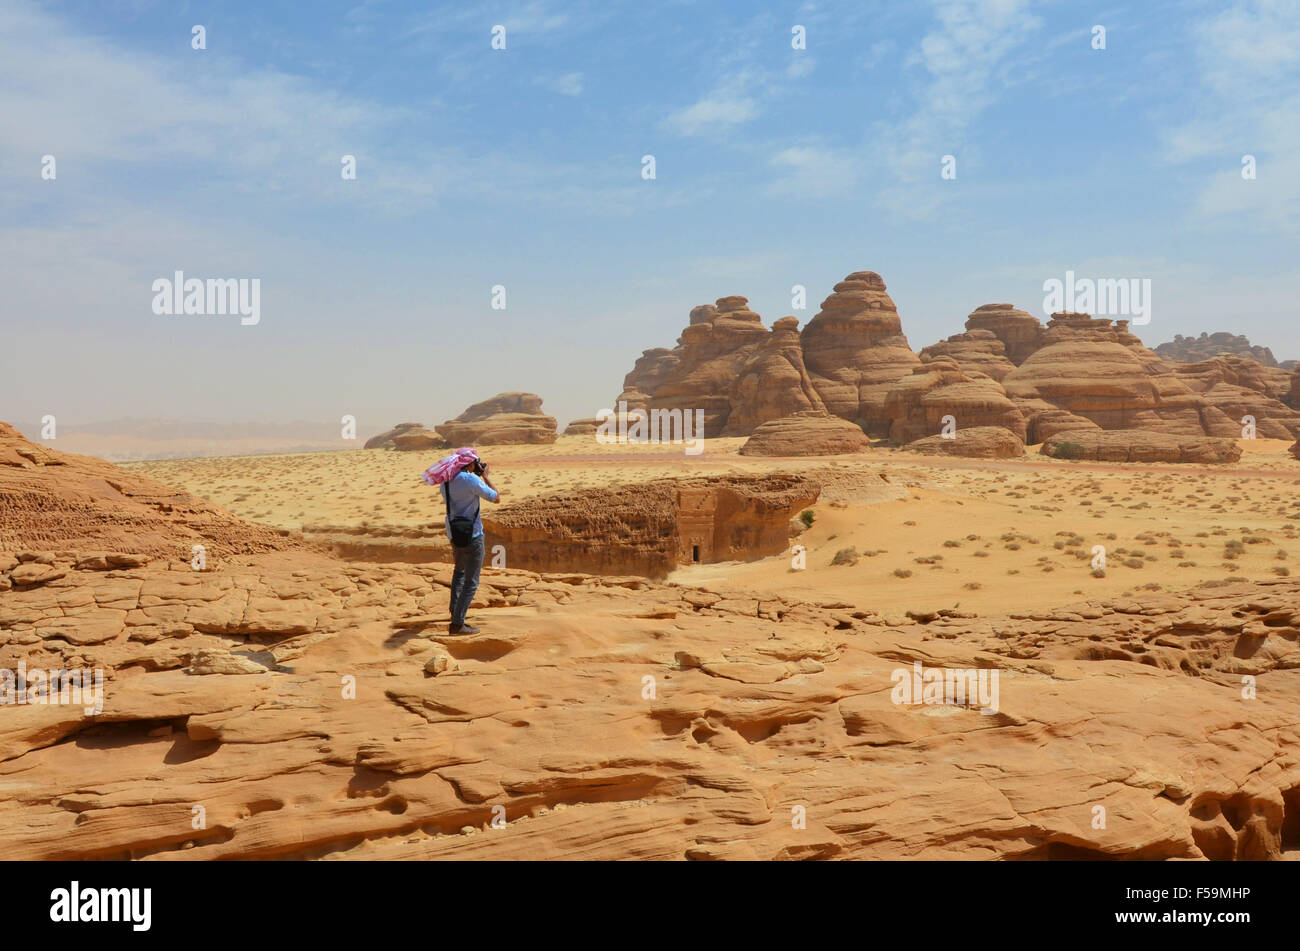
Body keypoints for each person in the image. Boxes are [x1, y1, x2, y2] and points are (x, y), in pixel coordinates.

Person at [437, 450, 500, 634]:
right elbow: (496, 498)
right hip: (472, 534)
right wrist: (485, 477)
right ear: (470, 464)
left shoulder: (445, 481)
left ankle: (454, 612)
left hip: (454, 533)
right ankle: (457, 624)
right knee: (471, 581)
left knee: (459, 572)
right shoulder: (471, 480)